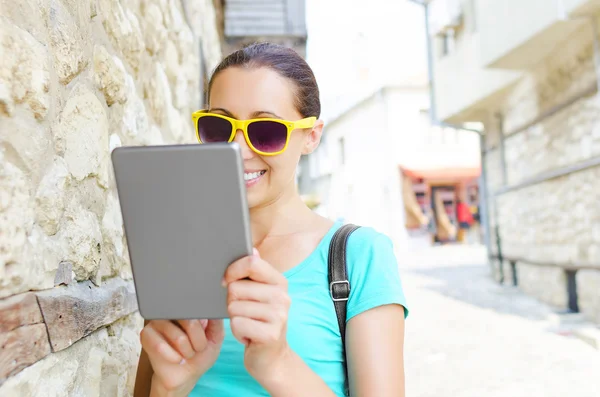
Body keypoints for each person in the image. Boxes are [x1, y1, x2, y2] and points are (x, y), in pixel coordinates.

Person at [134, 42, 408, 397]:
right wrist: (169, 387)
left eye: (266, 132)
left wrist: (276, 362)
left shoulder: (359, 255)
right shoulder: (179, 253)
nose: (239, 149)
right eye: (219, 127)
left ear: (311, 136)